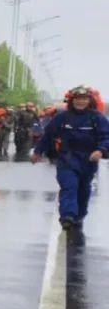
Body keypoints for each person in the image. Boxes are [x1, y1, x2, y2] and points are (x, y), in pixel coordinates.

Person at [32, 85, 109, 235]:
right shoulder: (62, 117)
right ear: (72, 100)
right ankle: (67, 216)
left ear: (89, 100)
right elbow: (48, 135)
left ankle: (78, 215)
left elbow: (106, 137)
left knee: (83, 189)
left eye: (84, 99)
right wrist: (38, 151)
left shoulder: (97, 118)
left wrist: (101, 150)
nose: (81, 102)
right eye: (78, 99)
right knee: (69, 186)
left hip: (88, 160)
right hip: (66, 158)